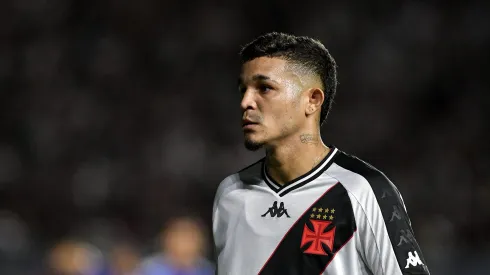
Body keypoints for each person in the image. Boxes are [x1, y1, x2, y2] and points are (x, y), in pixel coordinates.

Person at [212, 32, 430, 275]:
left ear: (312, 100)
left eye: (264, 88)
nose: (246, 102)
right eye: (243, 90)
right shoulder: (230, 194)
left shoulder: (362, 190)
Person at [137, 216, 214, 275]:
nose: (186, 245)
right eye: (180, 238)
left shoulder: (208, 270)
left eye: (191, 238)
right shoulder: (150, 269)